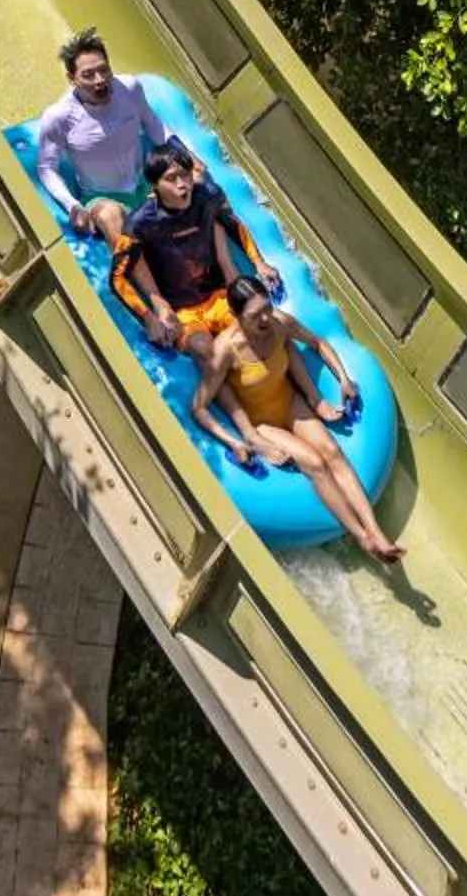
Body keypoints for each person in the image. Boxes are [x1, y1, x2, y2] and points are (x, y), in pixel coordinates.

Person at [192, 276, 404, 563]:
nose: (265, 318)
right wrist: (237, 441)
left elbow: (318, 343)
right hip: (261, 422)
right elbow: (200, 407)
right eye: (255, 316)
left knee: (333, 453)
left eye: (267, 307)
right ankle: (363, 538)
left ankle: (376, 531)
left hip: (290, 403)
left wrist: (343, 379)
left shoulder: (280, 324)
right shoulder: (225, 351)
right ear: (236, 317)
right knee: (315, 463)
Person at [34, 32, 187, 243]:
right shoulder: (58, 117)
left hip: (144, 183)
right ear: (72, 79)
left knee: (196, 186)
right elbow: (46, 168)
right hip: (102, 197)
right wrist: (73, 206)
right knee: (110, 216)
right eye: (88, 75)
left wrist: (185, 156)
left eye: (104, 70)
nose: (100, 80)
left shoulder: (130, 88)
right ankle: (130, 271)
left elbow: (152, 123)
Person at [111, 146, 263, 350]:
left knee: (251, 336)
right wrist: (149, 318)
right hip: (182, 312)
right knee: (204, 349)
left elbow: (232, 224)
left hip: (219, 298)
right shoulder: (139, 224)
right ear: (155, 185)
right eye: (172, 178)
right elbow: (117, 277)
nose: (182, 184)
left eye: (186, 174)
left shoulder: (209, 196)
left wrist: (259, 263)